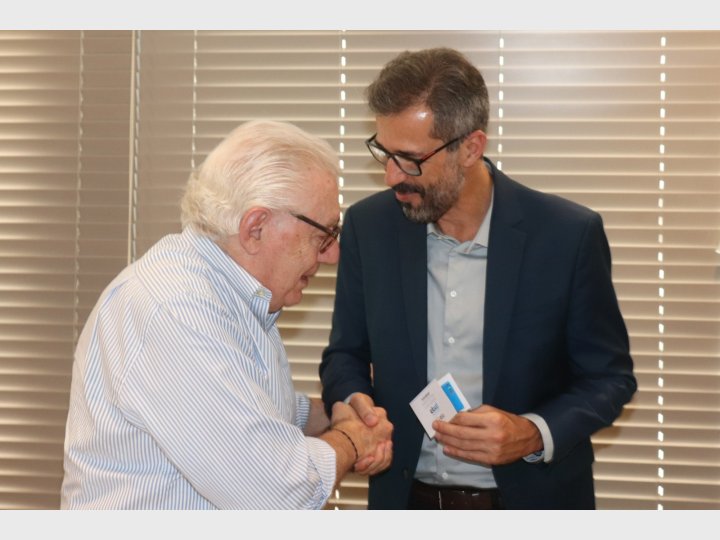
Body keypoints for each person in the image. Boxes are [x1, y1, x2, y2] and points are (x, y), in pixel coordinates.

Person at [319, 48, 637, 510]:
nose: (390, 176)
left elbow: (609, 379)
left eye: (409, 159)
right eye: (385, 153)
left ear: (470, 148)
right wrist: (352, 402)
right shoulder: (369, 228)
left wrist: (533, 433)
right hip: (405, 501)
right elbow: (345, 353)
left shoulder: (566, 235)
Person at [60, 119, 393, 510]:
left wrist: (336, 414)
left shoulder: (231, 295)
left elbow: (254, 408)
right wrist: (353, 440)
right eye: (323, 235)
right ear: (256, 227)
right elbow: (276, 494)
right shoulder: (176, 309)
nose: (332, 255)